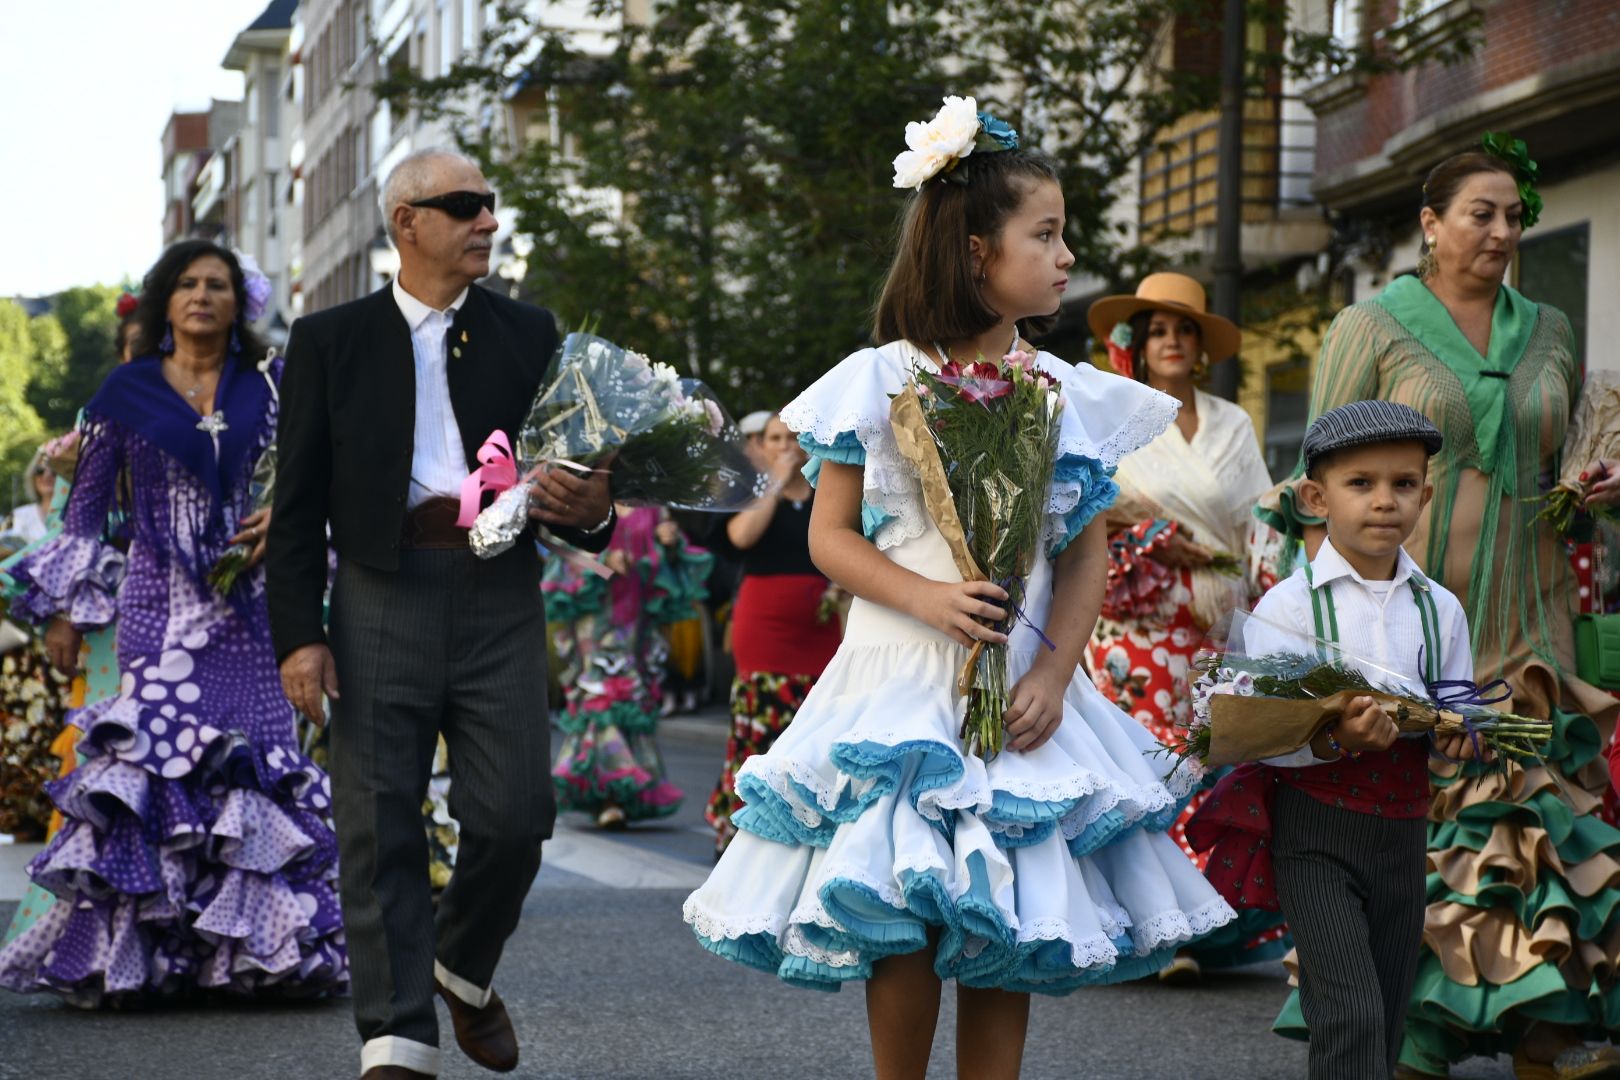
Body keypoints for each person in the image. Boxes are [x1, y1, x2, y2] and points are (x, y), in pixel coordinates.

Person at [682, 98, 1234, 1080]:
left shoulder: (1061, 392)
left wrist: (1057, 675)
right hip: (896, 674)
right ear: (978, 251)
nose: (1067, 256)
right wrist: (927, 598)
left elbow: (1081, 556)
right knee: (899, 906)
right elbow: (830, 537)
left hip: (1019, 682)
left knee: (1006, 905)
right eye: (1047, 234)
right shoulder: (879, 379)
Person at [1258, 142, 1620, 1080]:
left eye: (1513, 218)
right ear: (1430, 223)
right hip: (1401, 614)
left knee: (1528, 814)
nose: (1502, 232)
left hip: (1531, 605)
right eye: (1481, 214)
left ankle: (1538, 1026)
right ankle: (1406, 1031)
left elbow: (1559, 460)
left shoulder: (1549, 327)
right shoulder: (1368, 325)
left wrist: (1594, 486)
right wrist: (1323, 645)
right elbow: (1315, 488)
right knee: (1411, 819)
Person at [268, 147, 615, 1080]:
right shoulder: (328, 339)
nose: (487, 222)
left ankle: (462, 967)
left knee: (516, 815)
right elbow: (295, 509)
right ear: (405, 223)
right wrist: (300, 636)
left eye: (490, 205)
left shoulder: (530, 332)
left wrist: (598, 509)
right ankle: (398, 1038)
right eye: (464, 206)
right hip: (379, 592)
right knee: (379, 824)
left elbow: (581, 483)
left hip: (499, 594)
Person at [0, 240, 347, 1004]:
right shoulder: (124, 391)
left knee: (248, 768)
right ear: (166, 301)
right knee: (152, 762)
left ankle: (250, 957)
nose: (201, 296)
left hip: (254, 611)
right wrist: (63, 612)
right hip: (158, 611)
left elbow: (325, 476)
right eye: (187, 284)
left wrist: (288, 513)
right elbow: (86, 511)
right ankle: (147, 957)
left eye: (217, 284)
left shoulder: (274, 382)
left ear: (237, 303)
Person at [1191, 402, 1485, 1079]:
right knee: (1346, 1010)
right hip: (1316, 830)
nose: (1385, 501)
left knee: (1384, 1016)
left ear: (1426, 495)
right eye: (1362, 484)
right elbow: (1257, 735)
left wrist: (1467, 740)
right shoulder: (1288, 609)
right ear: (1316, 498)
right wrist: (1333, 739)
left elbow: (1456, 709)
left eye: (1403, 484)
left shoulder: (1440, 607)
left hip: (1405, 833)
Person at [1082, 272, 1287, 982]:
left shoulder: (1234, 422)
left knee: (1210, 771)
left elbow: (1262, 516)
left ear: (1201, 347)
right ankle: (1142, 932)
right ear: (1138, 346)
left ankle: (1205, 929)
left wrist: (1275, 601)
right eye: (1158, 331)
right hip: (1134, 623)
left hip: (1218, 620)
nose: (1172, 341)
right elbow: (1081, 502)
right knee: (1145, 774)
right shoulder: (1115, 414)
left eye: (1184, 330)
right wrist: (1149, 530)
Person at [701, 412, 843, 856]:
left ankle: (807, 827)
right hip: (765, 628)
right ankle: (743, 831)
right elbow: (740, 539)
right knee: (760, 730)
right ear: (761, 445)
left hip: (823, 627)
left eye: (793, 437)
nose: (785, 445)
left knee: (817, 728)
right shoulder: (752, 491)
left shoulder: (828, 493)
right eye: (775, 438)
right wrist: (776, 481)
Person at [544, 505, 710, 828]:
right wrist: (603, 561)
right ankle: (609, 791)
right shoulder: (589, 497)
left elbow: (669, 566)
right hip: (595, 615)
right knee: (600, 696)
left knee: (631, 697)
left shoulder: (653, 507)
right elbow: (560, 551)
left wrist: (669, 543)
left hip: (636, 618)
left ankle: (619, 791)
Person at [3, 454, 56, 548]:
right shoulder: (19, 514)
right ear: (32, 476)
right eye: (40, 471)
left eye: (54, 471)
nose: (47, 475)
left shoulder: (78, 515)